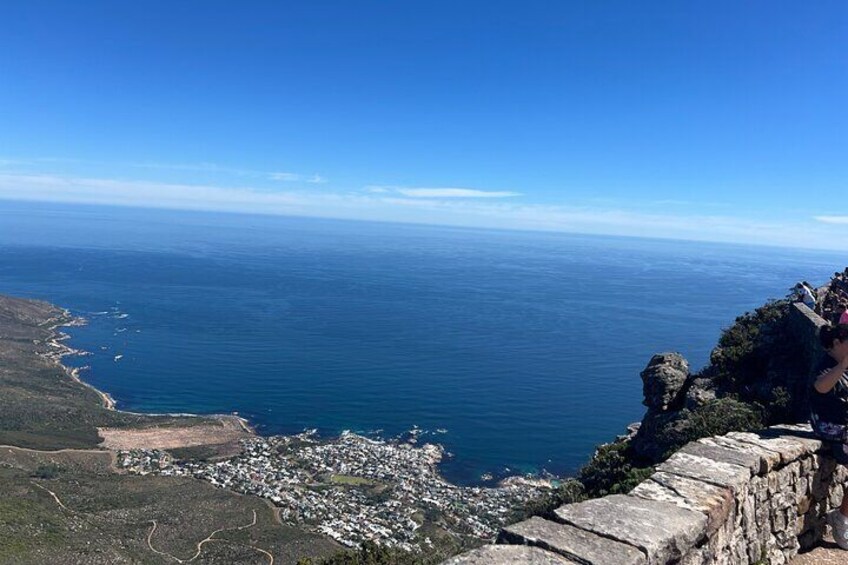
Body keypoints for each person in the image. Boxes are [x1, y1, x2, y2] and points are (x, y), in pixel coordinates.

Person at [810, 324, 848, 549]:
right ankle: (841, 519)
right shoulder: (826, 365)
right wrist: (842, 366)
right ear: (836, 343)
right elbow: (821, 387)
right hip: (831, 428)